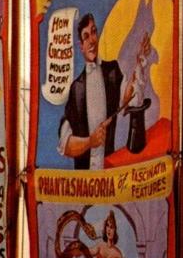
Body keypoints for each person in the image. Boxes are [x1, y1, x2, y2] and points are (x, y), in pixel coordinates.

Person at [58, 13, 137, 169]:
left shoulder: (113, 71)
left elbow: (128, 98)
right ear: (81, 46)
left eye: (93, 32)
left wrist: (139, 69)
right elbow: (65, 144)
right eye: (86, 37)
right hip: (84, 183)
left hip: (109, 175)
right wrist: (90, 142)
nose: (91, 40)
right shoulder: (76, 89)